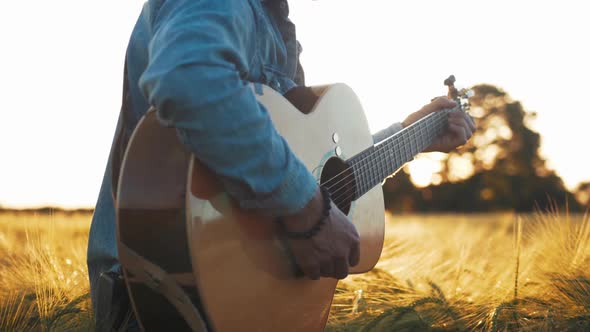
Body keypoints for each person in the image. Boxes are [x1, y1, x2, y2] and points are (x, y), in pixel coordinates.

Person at [87, 0, 476, 329]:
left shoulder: (275, 22)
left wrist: (412, 133)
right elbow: (189, 79)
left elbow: (303, 166)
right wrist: (309, 213)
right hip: (160, 301)